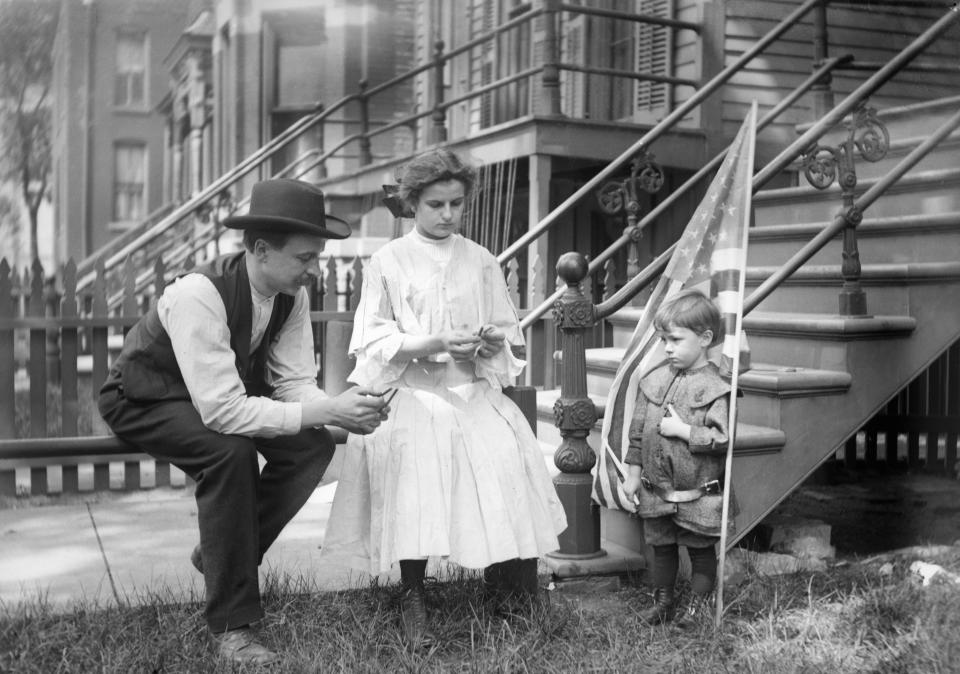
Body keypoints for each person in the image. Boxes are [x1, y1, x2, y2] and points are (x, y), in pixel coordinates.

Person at [98, 179, 389, 666]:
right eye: (305, 258)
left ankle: (222, 558)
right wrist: (327, 411)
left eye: (316, 257)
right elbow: (223, 414)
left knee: (311, 446)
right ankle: (232, 626)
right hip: (144, 397)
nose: (313, 271)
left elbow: (295, 383)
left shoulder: (288, 297)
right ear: (260, 250)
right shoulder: (199, 294)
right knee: (228, 452)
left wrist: (337, 407)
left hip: (210, 398)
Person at [320, 148, 567, 648]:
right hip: (413, 391)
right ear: (413, 203)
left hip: (469, 388)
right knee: (419, 458)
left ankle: (506, 585)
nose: (448, 215)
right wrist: (434, 342)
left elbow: (503, 329)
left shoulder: (480, 260)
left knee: (502, 452)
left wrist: (491, 341)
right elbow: (374, 341)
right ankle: (413, 592)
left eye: (456, 203)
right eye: (436, 204)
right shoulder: (389, 261)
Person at [620, 289, 732, 629]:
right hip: (657, 490)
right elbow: (637, 433)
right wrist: (633, 474)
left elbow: (722, 439)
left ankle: (697, 609)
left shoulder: (717, 387)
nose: (667, 348)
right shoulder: (653, 380)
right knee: (663, 547)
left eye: (676, 340)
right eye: (664, 340)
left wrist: (685, 431)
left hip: (697, 493)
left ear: (705, 338)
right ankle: (664, 602)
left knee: (699, 551)